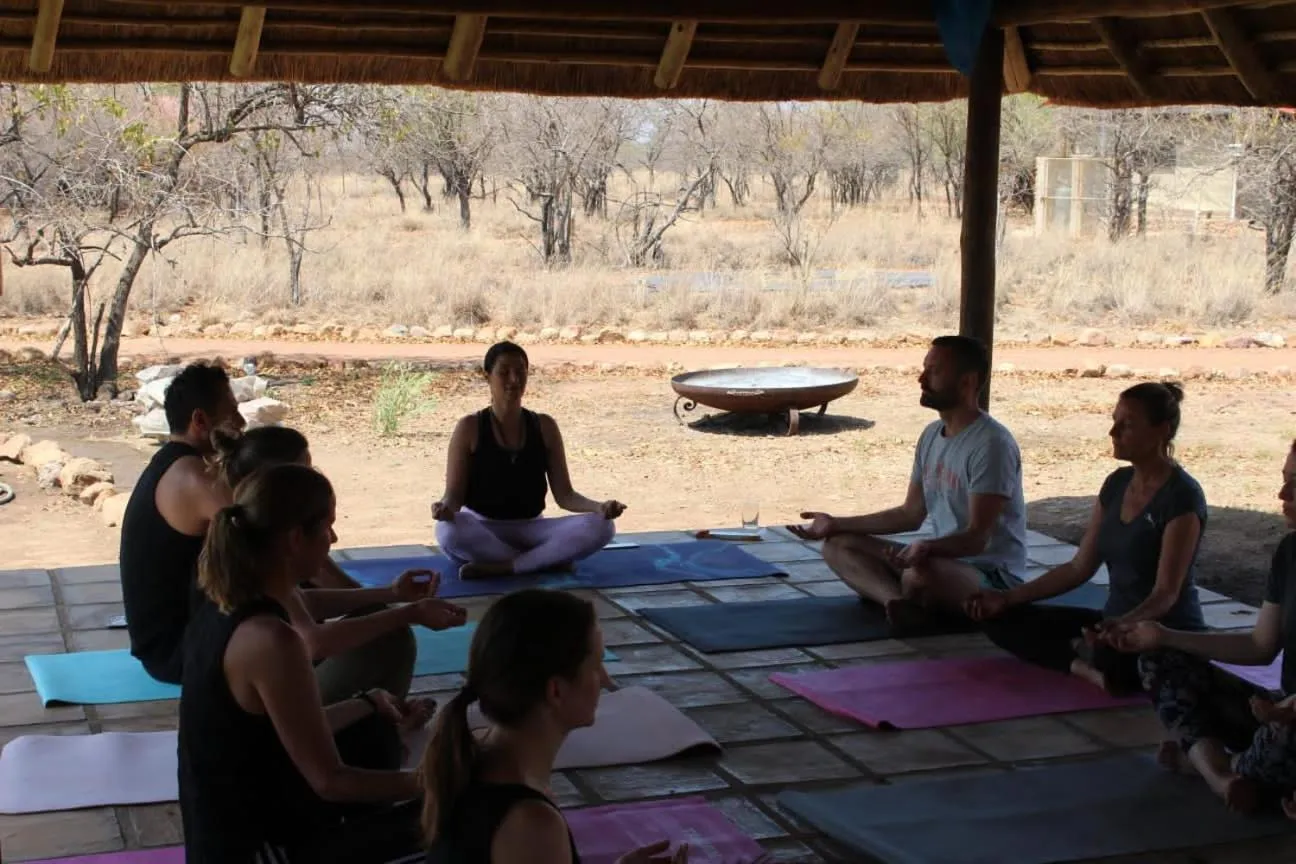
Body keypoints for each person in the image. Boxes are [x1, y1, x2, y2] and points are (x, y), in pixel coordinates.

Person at [180, 462, 439, 863]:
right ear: (295, 539)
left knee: (374, 728)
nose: (333, 539)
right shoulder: (271, 641)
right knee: (456, 816)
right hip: (255, 851)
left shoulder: (227, 599)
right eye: (327, 527)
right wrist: (435, 781)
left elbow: (282, 733)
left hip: (252, 812)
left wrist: (367, 701)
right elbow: (330, 781)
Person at [965, 382, 1208, 695]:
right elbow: (1079, 567)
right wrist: (1006, 598)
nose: (1113, 432)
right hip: (1113, 622)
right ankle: (1085, 666)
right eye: (1114, 421)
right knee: (1001, 618)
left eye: (1127, 425)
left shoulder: (1182, 497)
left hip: (1160, 631)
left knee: (1119, 657)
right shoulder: (1116, 484)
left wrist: (1118, 627)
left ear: (1162, 430)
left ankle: (1093, 661)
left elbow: (1166, 594)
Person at [422, 588, 687, 864]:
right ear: (556, 691)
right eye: (596, 665)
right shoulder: (531, 824)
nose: (606, 680)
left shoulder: (477, 749)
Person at [1104, 442, 1296, 816]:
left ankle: (1207, 765)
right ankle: (1225, 776)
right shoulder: (1289, 552)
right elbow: (1260, 645)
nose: (1282, 494)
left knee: (1283, 741)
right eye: (1284, 479)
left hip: (1286, 729)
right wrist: (1166, 636)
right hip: (1274, 716)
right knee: (1161, 660)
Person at [788, 335, 1028, 631]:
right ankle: (897, 603)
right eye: (924, 368)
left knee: (919, 574)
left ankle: (911, 597)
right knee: (837, 546)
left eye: (934, 371)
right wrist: (836, 524)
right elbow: (910, 514)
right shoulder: (931, 435)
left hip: (991, 576)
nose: (921, 379)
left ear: (967, 382)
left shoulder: (991, 444)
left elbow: (977, 539)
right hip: (937, 561)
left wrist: (926, 548)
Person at [213, 426, 467, 703]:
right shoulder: (275, 626)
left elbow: (304, 602)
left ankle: (389, 716)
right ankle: (390, 719)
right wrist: (409, 614)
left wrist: (392, 594)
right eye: (327, 528)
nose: (334, 538)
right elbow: (314, 642)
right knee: (386, 637)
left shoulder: (256, 546)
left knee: (380, 623)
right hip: (264, 721)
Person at [432, 342, 625, 581]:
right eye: (504, 372)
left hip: (533, 529)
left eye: (520, 372)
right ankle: (542, 561)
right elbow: (453, 497)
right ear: (487, 376)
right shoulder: (469, 427)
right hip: (482, 529)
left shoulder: (545, 426)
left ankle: (506, 566)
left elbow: (565, 496)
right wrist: (443, 510)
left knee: (603, 526)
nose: (514, 380)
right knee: (448, 531)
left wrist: (600, 507)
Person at [120, 362, 246, 685]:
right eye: (232, 413)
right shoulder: (193, 477)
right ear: (200, 421)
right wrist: (359, 596)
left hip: (166, 647)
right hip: (175, 654)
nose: (241, 423)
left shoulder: (171, 463)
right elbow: (275, 543)